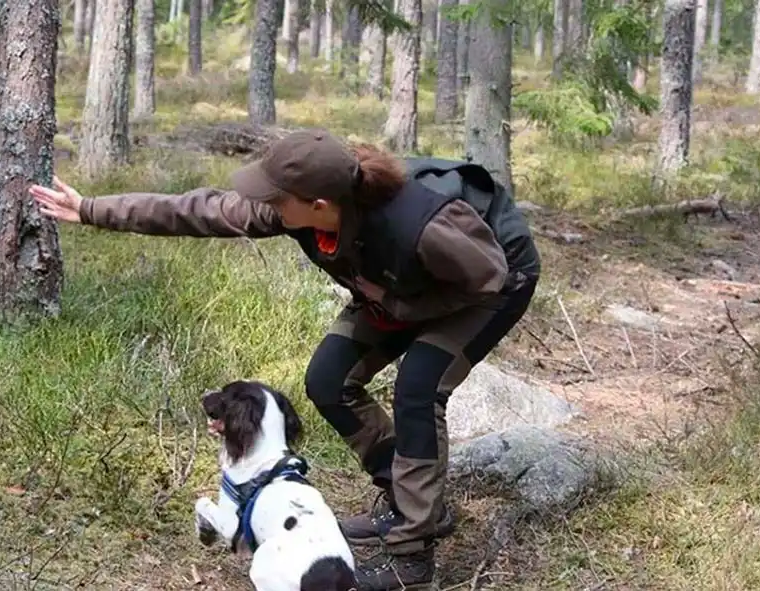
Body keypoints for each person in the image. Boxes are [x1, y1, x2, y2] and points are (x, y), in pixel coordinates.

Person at [30, 129, 541, 591]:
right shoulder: (299, 211)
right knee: (328, 379)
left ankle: (412, 554)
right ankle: (410, 503)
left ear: (319, 203)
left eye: (276, 197)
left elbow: (487, 278)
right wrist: (92, 208)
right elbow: (201, 210)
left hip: (487, 284)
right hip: (393, 284)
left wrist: (398, 305)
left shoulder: (423, 224)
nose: (265, 205)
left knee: (418, 387)